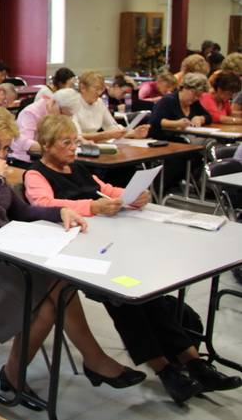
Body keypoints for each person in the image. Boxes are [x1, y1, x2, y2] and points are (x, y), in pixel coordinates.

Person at [0, 106, 144, 411]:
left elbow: (21, 211)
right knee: (45, 309)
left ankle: (92, 361)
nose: (0, 154)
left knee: (61, 283)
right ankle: (16, 375)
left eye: (6, 148)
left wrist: (59, 211)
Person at [24, 114, 241, 405]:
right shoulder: (35, 174)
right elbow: (45, 205)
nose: (74, 148)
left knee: (147, 294)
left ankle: (193, 363)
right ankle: (166, 369)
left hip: (108, 243)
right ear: (47, 145)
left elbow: (105, 189)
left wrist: (132, 196)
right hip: (77, 254)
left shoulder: (78, 168)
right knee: (125, 299)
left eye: (75, 142)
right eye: (66, 143)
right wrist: (93, 207)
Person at [9, 87, 82, 166]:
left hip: (50, 159)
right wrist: (53, 149)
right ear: (54, 103)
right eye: (62, 113)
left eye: (69, 116)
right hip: (25, 160)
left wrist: (78, 139)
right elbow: (23, 142)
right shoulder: (31, 112)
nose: (64, 118)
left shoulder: (60, 111)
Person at [74, 71, 148, 141]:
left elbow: (112, 126)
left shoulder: (99, 102)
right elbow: (77, 136)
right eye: (96, 89)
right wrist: (105, 135)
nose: (99, 93)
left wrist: (133, 132)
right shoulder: (72, 104)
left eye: (101, 89)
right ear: (82, 87)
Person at [148, 72, 211, 141]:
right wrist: (176, 124)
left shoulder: (194, 103)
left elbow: (208, 117)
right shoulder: (168, 101)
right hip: (163, 140)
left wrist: (200, 118)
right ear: (185, 88)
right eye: (195, 93)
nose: (196, 98)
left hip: (184, 140)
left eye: (199, 95)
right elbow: (156, 121)